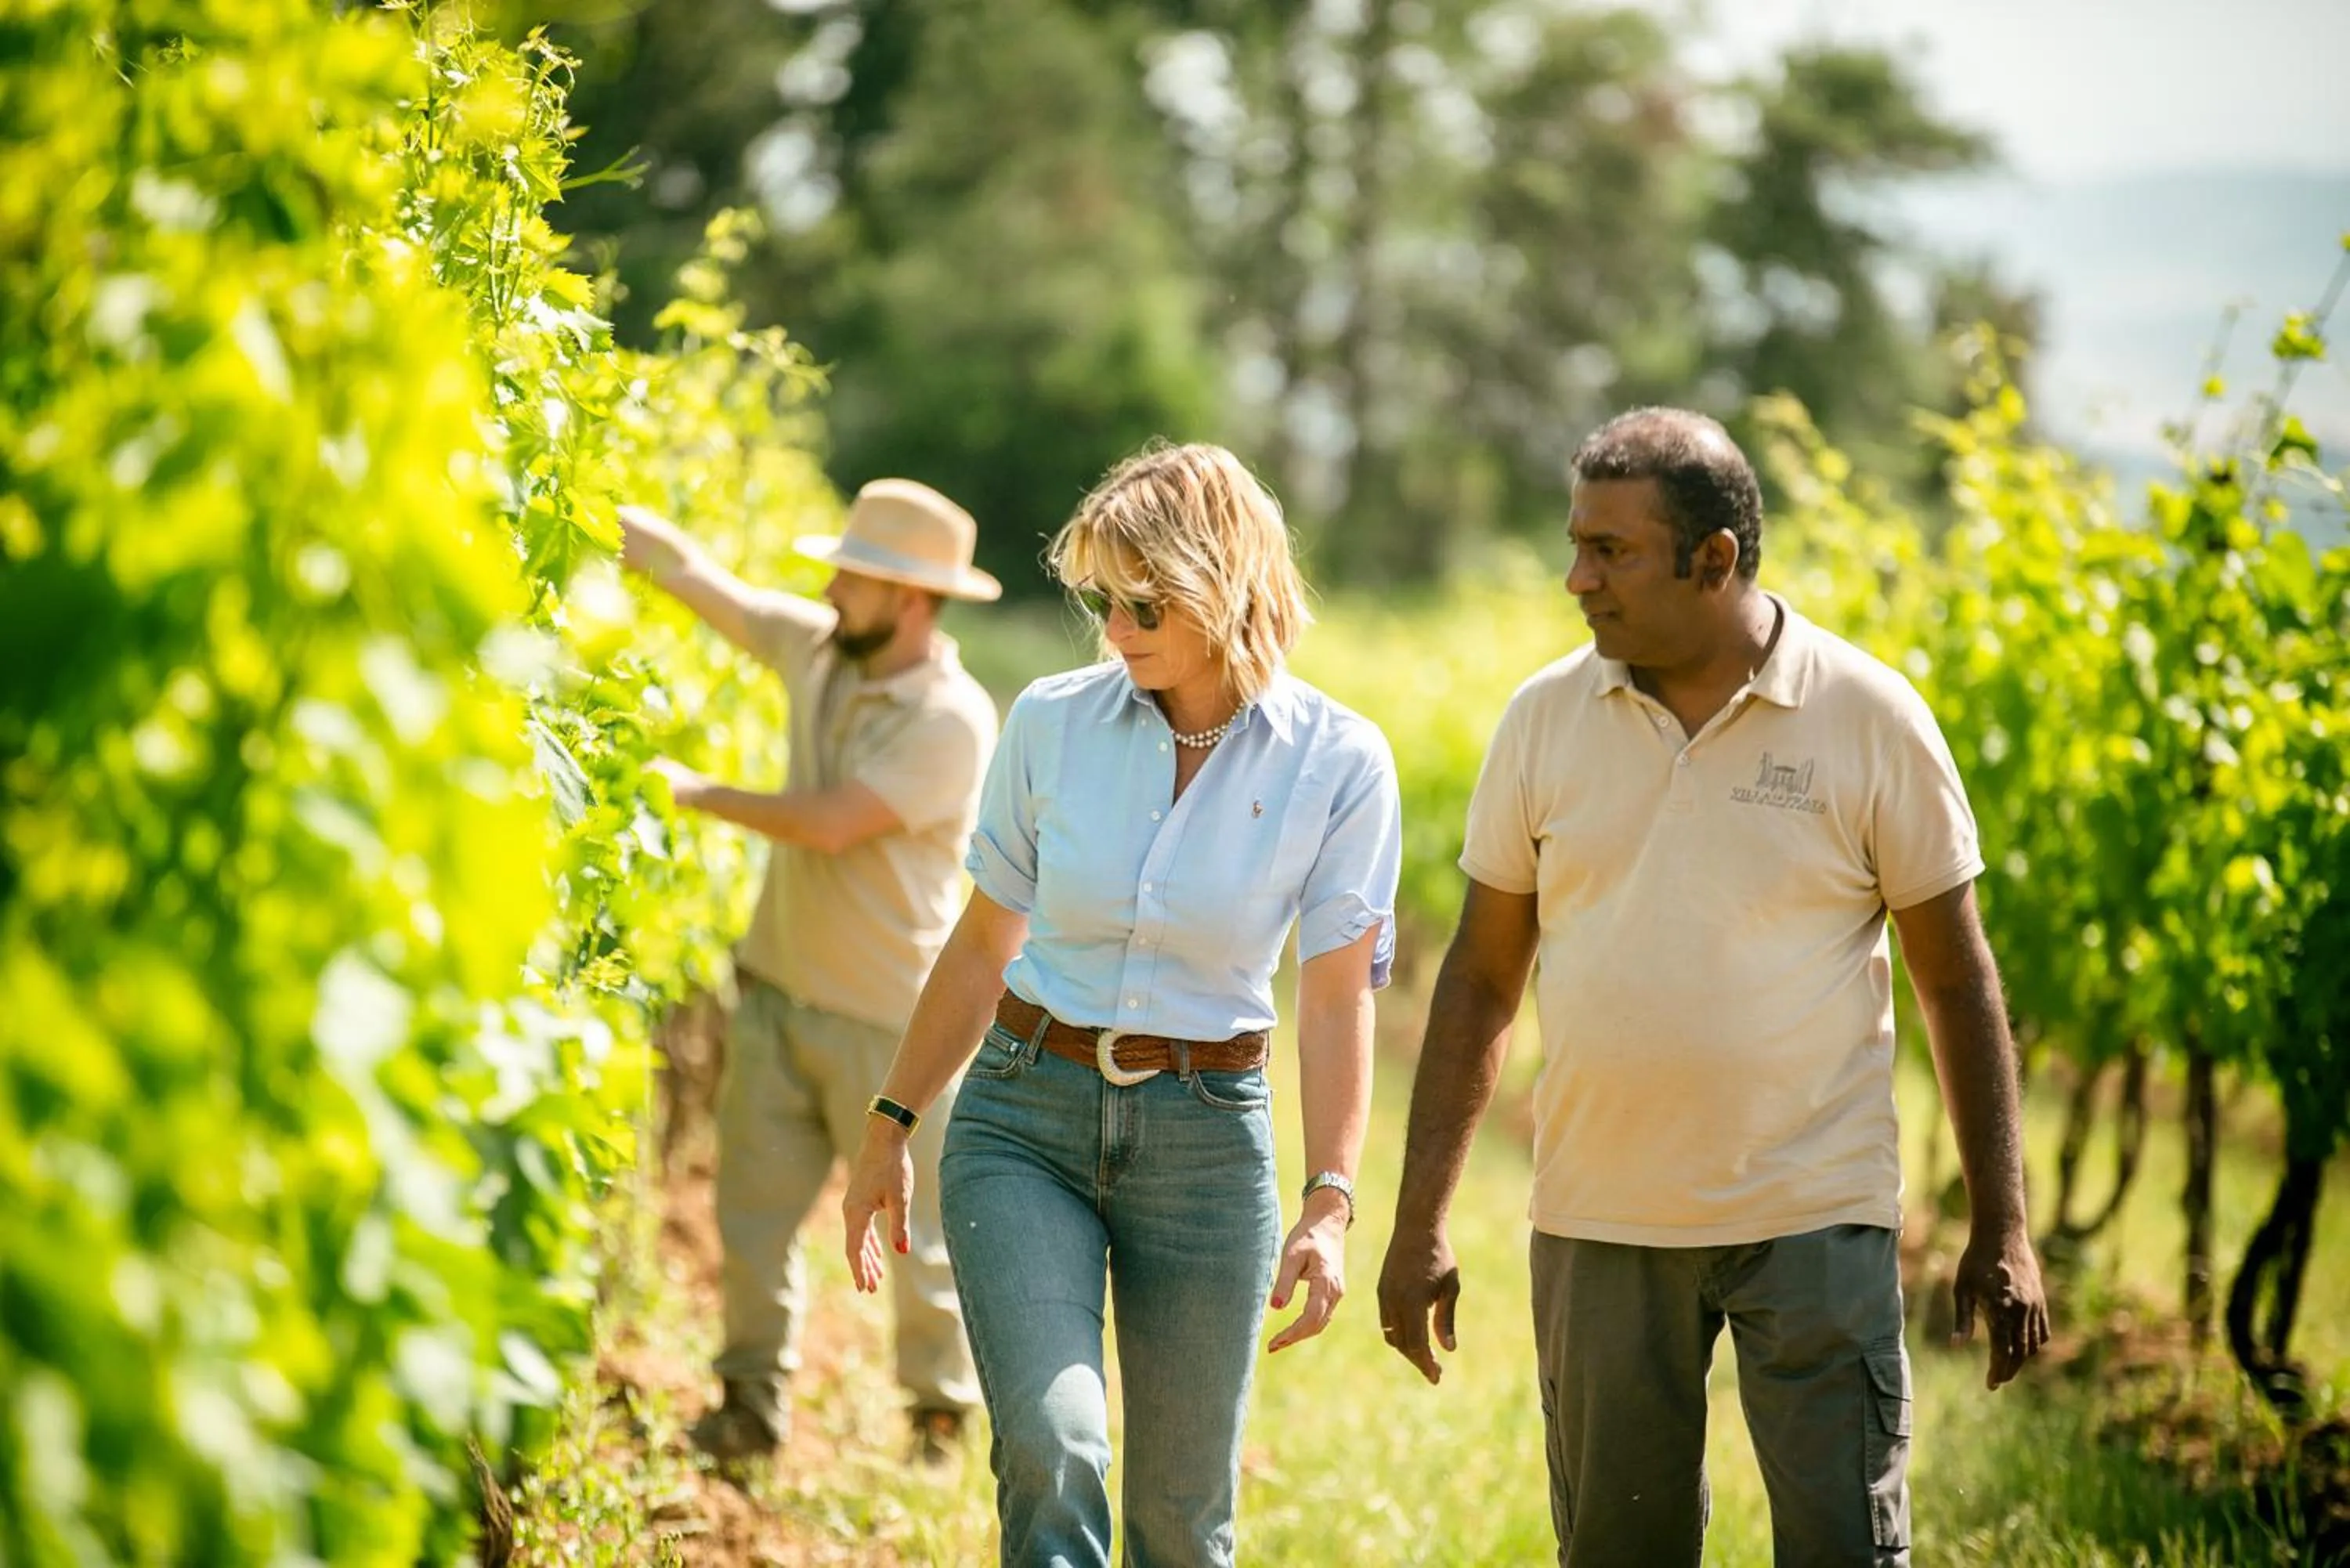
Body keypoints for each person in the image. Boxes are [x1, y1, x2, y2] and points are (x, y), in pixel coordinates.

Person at [1375, 408, 2051, 1567]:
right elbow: (1481, 979)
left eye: (1611, 551)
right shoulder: (1544, 721)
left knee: (1845, 1546)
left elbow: (1955, 977)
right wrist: (1418, 1220)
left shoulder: (1867, 716)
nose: (1577, 579)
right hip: (1601, 1218)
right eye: (1576, 545)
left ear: (1715, 558)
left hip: (1816, 1212)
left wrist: (2005, 1222)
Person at [840, 442, 1402, 1566]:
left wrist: (1331, 1199)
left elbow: (1337, 995)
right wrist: (891, 1120)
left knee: (1183, 1525)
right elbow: (984, 940)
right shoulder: (1049, 721)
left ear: (1226, 585)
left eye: (1146, 604)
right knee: (1057, 1448)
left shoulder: (1340, 762)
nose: (1115, 627)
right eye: (1103, 598)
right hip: (1023, 1120)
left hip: (1208, 1147)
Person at [616, 479, 1001, 1469]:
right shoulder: (823, 649)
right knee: (751, 1211)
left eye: (851, 577)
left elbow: (833, 824)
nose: (830, 588)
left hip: (893, 1025)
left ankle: (938, 1415)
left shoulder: (952, 720)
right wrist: (606, 516)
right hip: (778, 993)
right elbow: (701, 580)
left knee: (917, 1232)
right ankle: (750, 1404)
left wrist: (692, 790)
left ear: (909, 598)